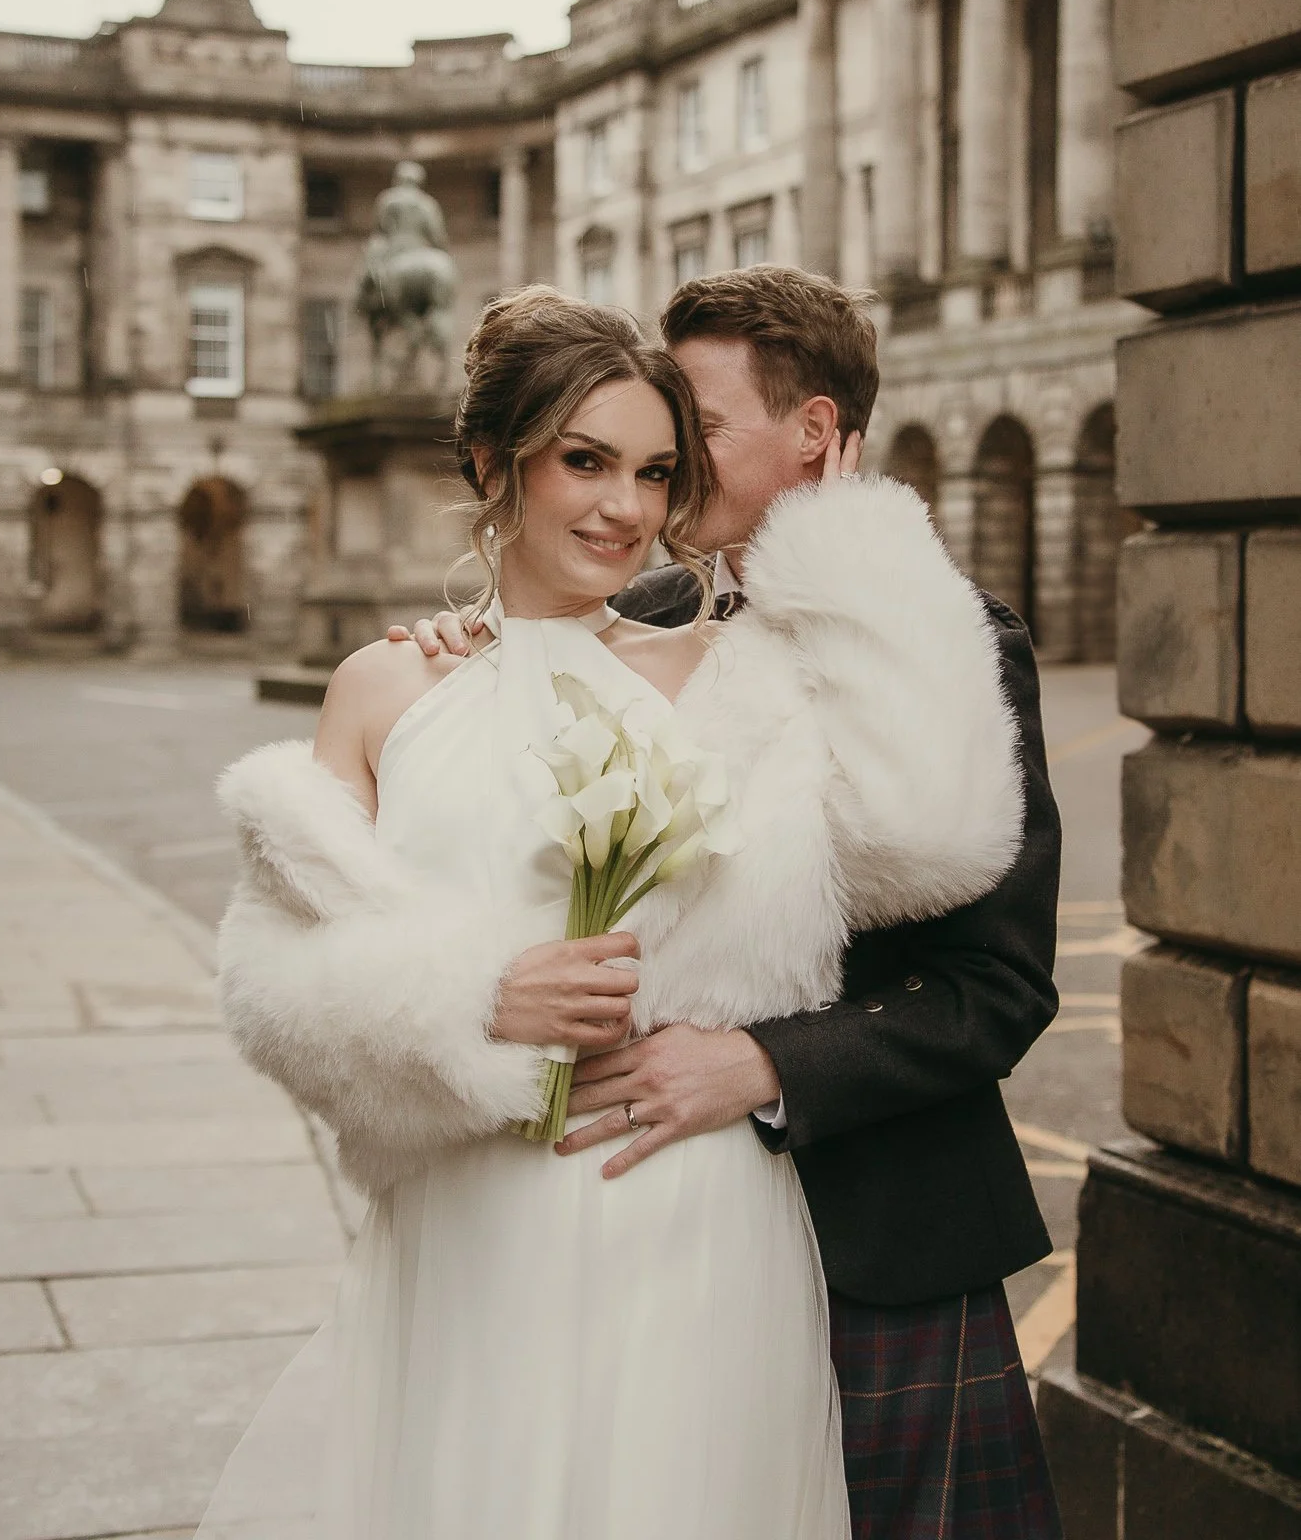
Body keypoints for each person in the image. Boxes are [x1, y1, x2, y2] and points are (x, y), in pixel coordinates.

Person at [207, 284, 1025, 1540]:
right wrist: (469, 999)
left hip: (698, 1208)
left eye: (659, 464)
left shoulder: (743, 666)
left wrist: (854, 536)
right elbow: (276, 976)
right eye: (586, 460)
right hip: (479, 1212)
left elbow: (932, 840)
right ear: (494, 460)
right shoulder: (389, 679)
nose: (630, 503)